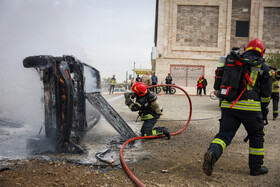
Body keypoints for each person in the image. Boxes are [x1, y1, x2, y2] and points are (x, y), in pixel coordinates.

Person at [203, 38, 272, 176]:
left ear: (246, 49)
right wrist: (263, 109)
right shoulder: (263, 67)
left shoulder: (234, 61)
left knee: (224, 135)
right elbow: (266, 94)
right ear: (262, 52)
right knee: (257, 135)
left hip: (229, 105)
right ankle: (256, 168)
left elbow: (218, 85)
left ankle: (212, 153)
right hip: (251, 109)